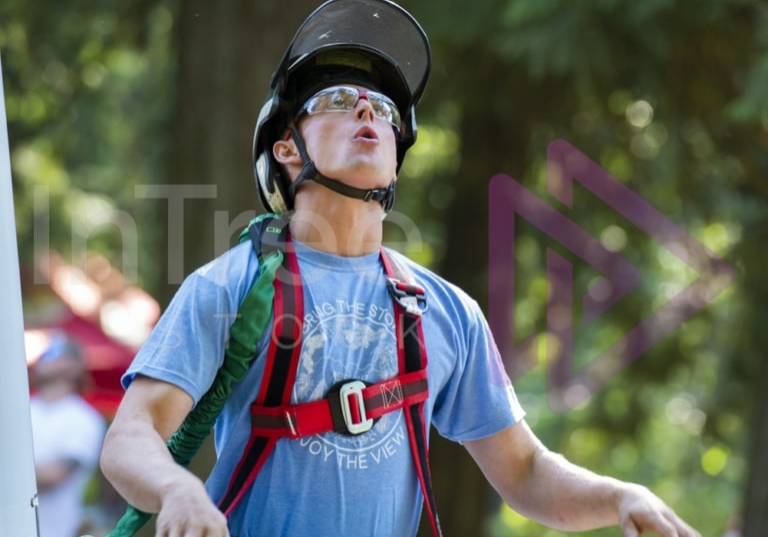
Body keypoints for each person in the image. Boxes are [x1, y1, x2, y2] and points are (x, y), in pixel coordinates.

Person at [100, 1, 702, 536]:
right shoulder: (228, 288)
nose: (367, 107)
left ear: (396, 153)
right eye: (336, 99)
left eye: (385, 108)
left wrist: (621, 496)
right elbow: (129, 440)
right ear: (286, 149)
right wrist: (177, 488)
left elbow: (525, 471)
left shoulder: (445, 311)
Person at [28, 329, 106, 537]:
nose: (44, 357)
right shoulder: (20, 409)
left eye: (54, 351)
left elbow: (55, 475)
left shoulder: (85, 419)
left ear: (74, 366)